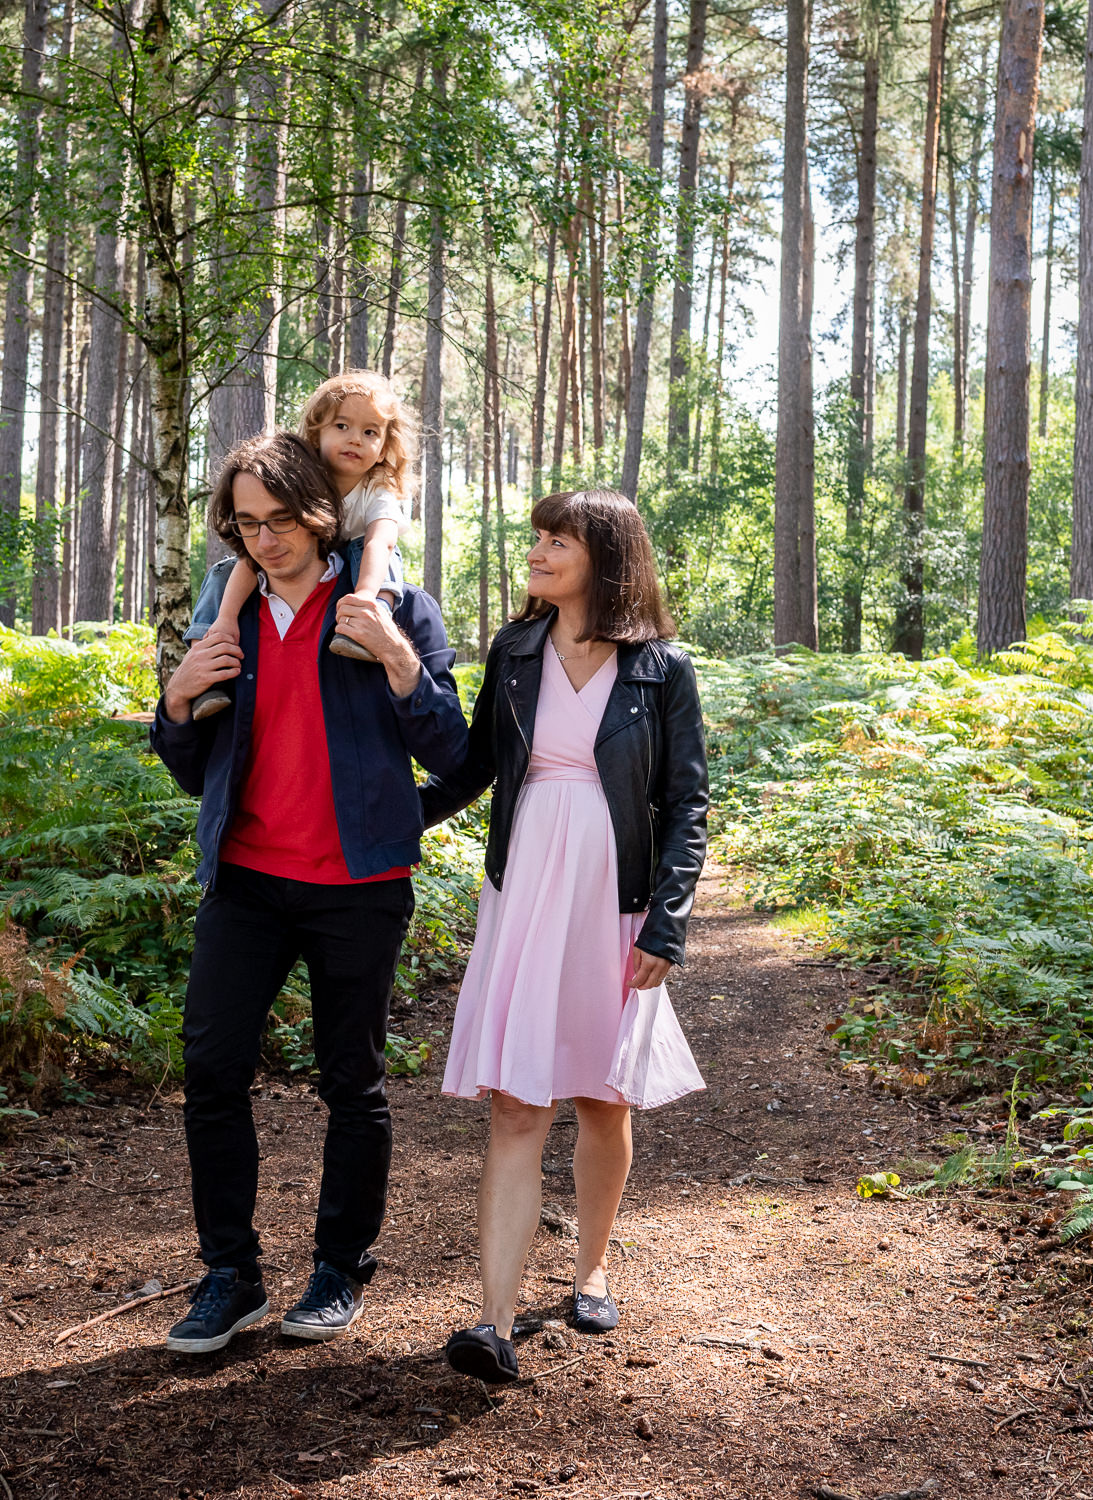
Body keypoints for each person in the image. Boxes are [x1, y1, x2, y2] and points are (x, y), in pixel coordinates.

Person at [149, 431, 468, 1354]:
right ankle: (229, 1275)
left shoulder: (391, 604)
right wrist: (174, 704)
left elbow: (455, 753)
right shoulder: (229, 618)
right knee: (211, 1072)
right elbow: (191, 770)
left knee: (351, 1081)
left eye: (282, 520)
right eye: (247, 524)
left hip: (356, 888)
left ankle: (338, 1269)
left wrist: (403, 666)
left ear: (323, 511)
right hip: (245, 883)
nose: (265, 540)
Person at [419, 489, 710, 1384]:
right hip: (525, 887)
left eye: (557, 541)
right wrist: (385, 820)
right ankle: (493, 1324)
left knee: (601, 1098)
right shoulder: (513, 651)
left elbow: (686, 803)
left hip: (613, 895)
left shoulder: (661, 668)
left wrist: (667, 920)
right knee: (515, 1101)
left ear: (605, 558)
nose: (537, 553)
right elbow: (471, 768)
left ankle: (590, 1268)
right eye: (536, 539)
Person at [186, 371, 418, 718]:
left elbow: (379, 545)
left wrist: (366, 598)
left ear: (385, 446)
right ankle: (208, 659)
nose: (354, 439)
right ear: (316, 432)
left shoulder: (378, 490)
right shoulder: (301, 478)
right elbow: (262, 544)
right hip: (306, 560)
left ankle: (368, 626)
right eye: (342, 426)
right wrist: (228, 618)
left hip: (357, 568)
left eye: (369, 432)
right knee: (226, 569)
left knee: (382, 554)